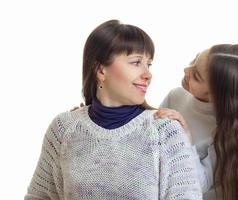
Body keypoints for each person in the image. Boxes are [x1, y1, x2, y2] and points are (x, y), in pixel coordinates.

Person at [25, 20, 204, 199]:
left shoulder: (165, 131)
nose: (147, 74)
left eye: (148, 64)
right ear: (100, 70)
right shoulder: (63, 128)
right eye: (136, 62)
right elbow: (39, 196)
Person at [155, 44, 238, 200]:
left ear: (217, 96)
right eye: (194, 60)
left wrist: (185, 137)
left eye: (197, 76)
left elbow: (198, 184)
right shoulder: (176, 96)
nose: (186, 70)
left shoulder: (228, 132)